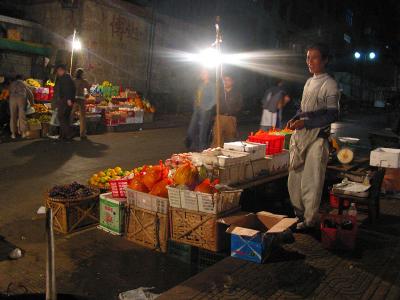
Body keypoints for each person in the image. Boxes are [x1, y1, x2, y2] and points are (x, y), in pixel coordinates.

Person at [287, 43, 340, 231]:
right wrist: (295, 117)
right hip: (302, 137)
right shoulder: (309, 82)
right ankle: (299, 214)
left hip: (317, 138)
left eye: (315, 57)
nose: (309, 61)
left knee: (312, 179)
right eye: (308, 57)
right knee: (295, 177)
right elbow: (304, 108)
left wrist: (306, 123)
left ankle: (309, 220)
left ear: (325, 60)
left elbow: (333, 114)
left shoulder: (330, 84)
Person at [186, 69, 216, 151]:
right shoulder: (200, 85)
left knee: (203, 129)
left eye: (204, 73)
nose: (202, 75)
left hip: (205, 110)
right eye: (202, 73)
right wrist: (195, 105)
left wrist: (207, 108)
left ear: (208, 75)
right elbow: (197, 96)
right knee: (191, 129)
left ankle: (202, 148)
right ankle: (193, 144)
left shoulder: (212, 85)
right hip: (197, 109)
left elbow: (214, 99)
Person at [212, 73, 243, 147]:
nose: (226, 82)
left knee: (230, 139)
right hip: (220, 117)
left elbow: (240, 105)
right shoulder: (219, 92)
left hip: (231, 118)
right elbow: (214, 104)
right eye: (224, 80)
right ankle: (216, 154)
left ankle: (230, 155)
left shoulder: (237, 93)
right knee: (217, 138)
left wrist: (233, 113)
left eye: (228, 80)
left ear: (232, 82)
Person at [53, 64, 76, 141]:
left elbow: (68, 89)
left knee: (61, 116)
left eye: (58, 71)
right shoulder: (63, 77)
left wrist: (69, 99)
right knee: (65, 117)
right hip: (64, 100)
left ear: (62, 70)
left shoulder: (66, 77)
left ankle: (69, 133)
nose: (58, 72)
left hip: (65, 100)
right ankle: (63, 135)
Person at [9, 75, 34, 139]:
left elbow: (9, 92)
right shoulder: (24, 83)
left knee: (13, 116)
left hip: (12, 99)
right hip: (21, 98)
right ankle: (23, 133)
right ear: (21, 79)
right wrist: (32, 103)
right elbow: (30, 94)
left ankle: (13, 134)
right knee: (21, 116)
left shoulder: (12, 84)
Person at [72, 68, 90, 140]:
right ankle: (82, 134)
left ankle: (67, 131)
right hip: (82, 99)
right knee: (82, 117)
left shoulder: (73, 81)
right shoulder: (84, 81)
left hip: (74, 99)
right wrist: (87, 94)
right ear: (81, 74)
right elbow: (88, 91)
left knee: (71, 115)